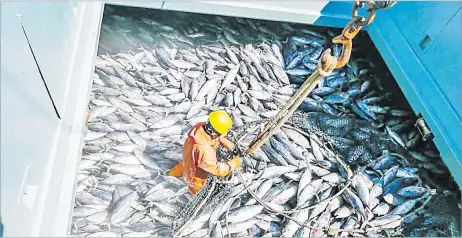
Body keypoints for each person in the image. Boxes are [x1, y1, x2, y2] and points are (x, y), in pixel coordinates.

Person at [168, 111, 243, 195]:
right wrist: (234, 163)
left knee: (175, 174)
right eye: (219, 133)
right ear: (214, 132)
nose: (220, 135)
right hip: (196, 178)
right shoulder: (204, 149)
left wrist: (230, 145)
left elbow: (215, 137)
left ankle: (170, 177)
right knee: (194, 193)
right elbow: (217, 170)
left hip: (186, 163)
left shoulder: (200, 128)